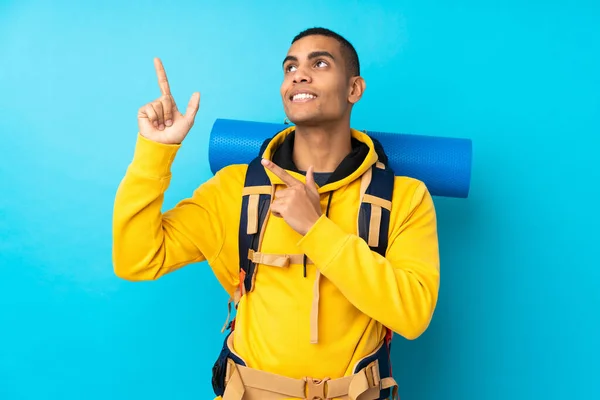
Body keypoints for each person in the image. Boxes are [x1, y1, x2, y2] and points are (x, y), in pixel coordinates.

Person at [113, 27, 440, 400]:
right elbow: (136, 259)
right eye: (290, 68)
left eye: (319, 63)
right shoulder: (235, 188)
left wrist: (316, 229)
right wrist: (154, 153)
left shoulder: (405, 197)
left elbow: (412, 316)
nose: (299, 74)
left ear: (354, 89)